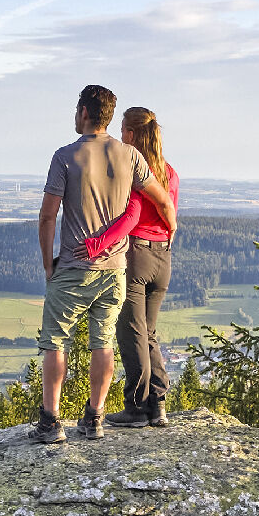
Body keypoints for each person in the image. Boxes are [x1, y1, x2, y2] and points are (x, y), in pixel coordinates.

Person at [33, 84, 176, 444]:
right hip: (115, 269)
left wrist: (48, 264)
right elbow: (159, 199)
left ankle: (51, 422)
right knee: (104, 343)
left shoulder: (65, 156)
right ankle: (94, 417)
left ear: (83, 113)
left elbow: (48, 216)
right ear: (109, 117)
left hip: (74, 267)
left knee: (55, 342)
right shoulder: (130, 156)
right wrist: (171, 226)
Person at [80, 106, 176, 428]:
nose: (119, 136)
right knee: (148, 333)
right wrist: (171, 228)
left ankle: (135, 408)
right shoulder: (170, 172)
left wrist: (99, 243)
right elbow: (167, 208)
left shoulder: (135, 170)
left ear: (132, 135)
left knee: (130, 332)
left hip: (136, 256)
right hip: (164, 257)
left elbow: (132, 215)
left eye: (122, 130)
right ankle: (157, 405)